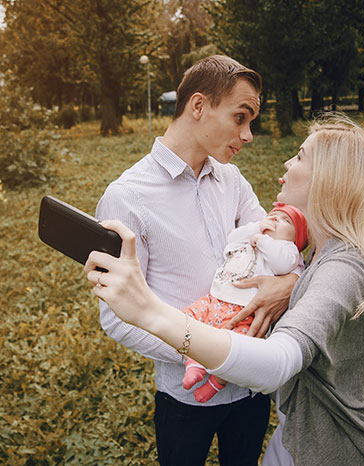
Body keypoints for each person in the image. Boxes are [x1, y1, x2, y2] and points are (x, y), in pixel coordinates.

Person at [86, 114, 364, 466]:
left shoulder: (344, 267)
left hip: (325, 449)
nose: (286, 161)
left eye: (299, 156)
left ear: (329, 178)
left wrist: (148, 311)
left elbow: (279, 360)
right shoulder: (322, 253)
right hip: (291, 436)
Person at [94, 55, 298, 466]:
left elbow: (278, 249)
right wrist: (202, 350)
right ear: (199, 106)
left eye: (251, 122)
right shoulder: (126, 197)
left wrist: (291, 282)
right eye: (241, 118)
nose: (248, 135)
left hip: (252, 383)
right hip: (184, 395)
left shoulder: (233, 180)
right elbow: (115, 316)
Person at [182, 202, 307, 403]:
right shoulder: (248, 240)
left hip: (244, 312)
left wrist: (263, 241)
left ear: (297, 238)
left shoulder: (288, 250)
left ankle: (216, 383)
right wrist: (256, 229)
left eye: (286, 221)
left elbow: (282, 263)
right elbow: (232, 238)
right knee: (187, 318)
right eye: (274, 215)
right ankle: (192, 363)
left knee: (234, 349)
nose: (276, 219)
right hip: (216, 299)